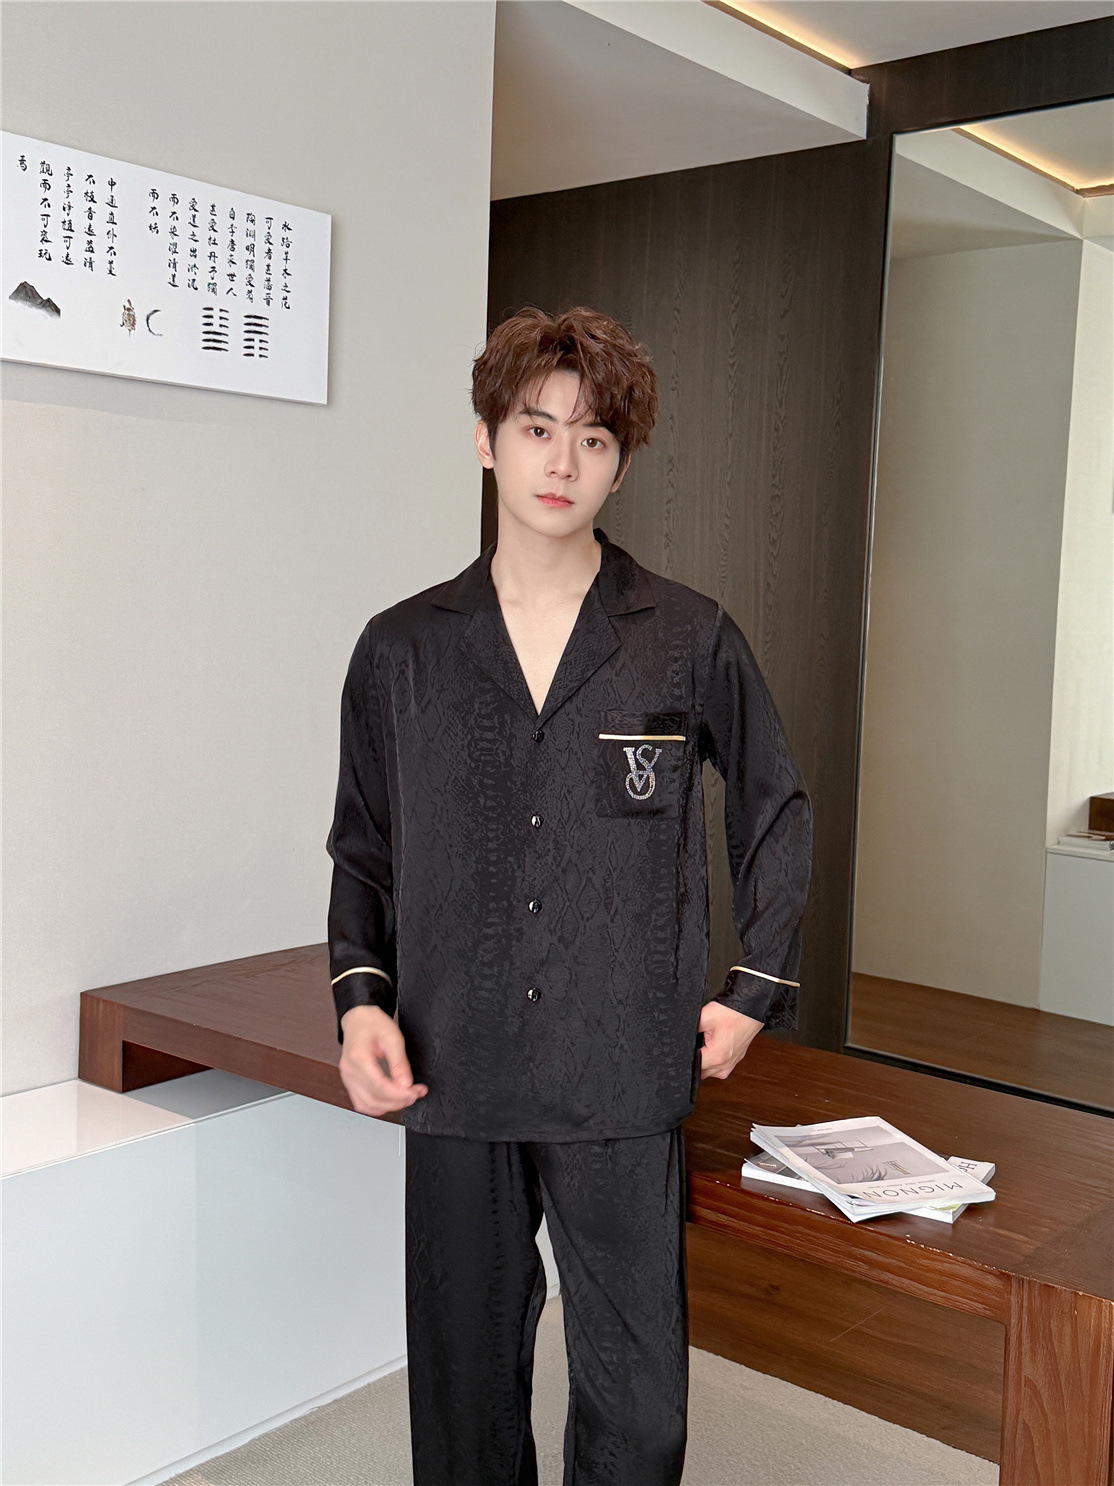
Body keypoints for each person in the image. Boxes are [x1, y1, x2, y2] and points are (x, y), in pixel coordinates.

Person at [326, 305, 813, 1486]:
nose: (562, 460)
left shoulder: (685, 637)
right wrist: (361, 1002)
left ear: (620, 464)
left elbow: (775, 804)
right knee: (463, 1400)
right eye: (536, 428)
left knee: (638, 1409)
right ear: (486, 440)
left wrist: (753, 988)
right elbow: (364, 846)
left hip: (619, 1071)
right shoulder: (401, 649)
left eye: (593, 438)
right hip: (455, 1063)